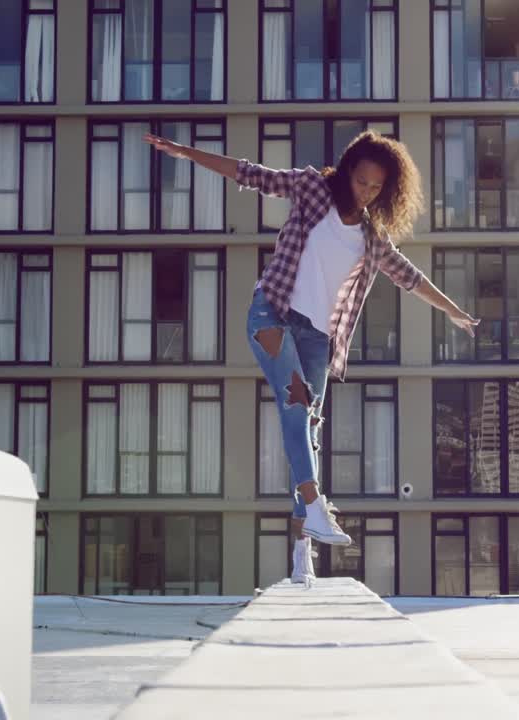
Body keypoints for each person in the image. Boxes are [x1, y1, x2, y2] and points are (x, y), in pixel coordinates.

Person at [145, 130, 478, 585]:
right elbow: (249, 173)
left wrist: (453, 309)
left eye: (377, 187)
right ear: (346, 172)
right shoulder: (311, 189)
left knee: (309, 432)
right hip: (272, 312)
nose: (366, 192)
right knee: (296, 402)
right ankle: (316, 505)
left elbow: (409, 276)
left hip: (318, 339)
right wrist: (185, 153)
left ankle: (303, 547)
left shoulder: (371, 236)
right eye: (361, 181)